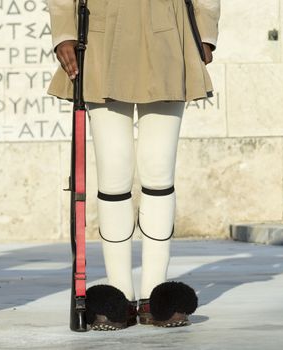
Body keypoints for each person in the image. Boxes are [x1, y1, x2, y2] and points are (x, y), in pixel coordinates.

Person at [46, 0, 220, 330]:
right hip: (100, 32)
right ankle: (119, 297)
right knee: (113, 176)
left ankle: (156, 297)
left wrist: (205, 30)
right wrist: (64, 32)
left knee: (158, 173)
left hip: (168, 29)